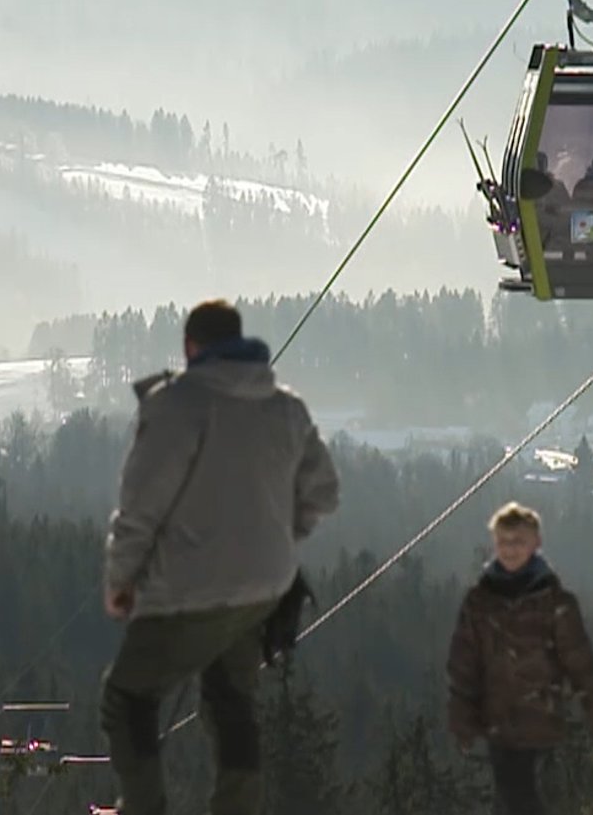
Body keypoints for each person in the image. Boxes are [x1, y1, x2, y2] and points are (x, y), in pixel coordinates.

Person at [99, 299, 341, 815]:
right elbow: (324, 492)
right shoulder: (286, 407)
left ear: (191, 347)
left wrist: (121, 582)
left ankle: (142, 807)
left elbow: (140, 509)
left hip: (188, 589)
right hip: (265, 590)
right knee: (232, 699)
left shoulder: (176, 406)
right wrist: (281, 535)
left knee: (127, 698)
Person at [447, 502, 593, 814]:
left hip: (538, 714)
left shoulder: (554, 601)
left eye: (519, 542)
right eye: (503, 542)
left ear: (535, 543)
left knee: (518, 792)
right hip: (498, 716)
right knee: (508, 795)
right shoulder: (480, 601)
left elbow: (579, 661)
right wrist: (462, 712)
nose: (510, 550)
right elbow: (465, 662)